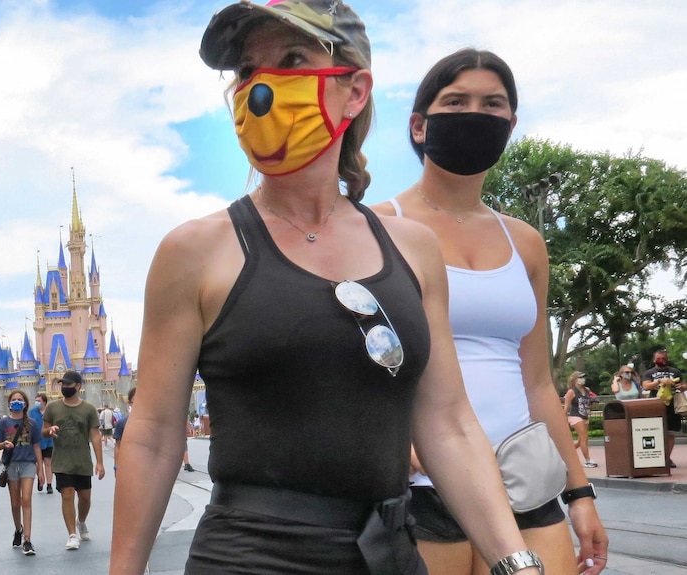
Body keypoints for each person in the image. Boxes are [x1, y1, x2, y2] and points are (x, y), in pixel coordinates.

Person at [110, 4, 551, 574]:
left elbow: (447, 422)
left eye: (293, 59)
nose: (262, 87)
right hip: (251, 558)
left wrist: (517, 563)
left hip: (390, 554)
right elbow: (153, 434)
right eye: (247, 70)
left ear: (355, 91)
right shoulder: (194, 252)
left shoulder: (413, 250)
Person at [370, 47, 608, 575]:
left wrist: (580, 494)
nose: (475, 113)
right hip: (424, 487)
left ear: (511, 124)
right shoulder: (378, 227)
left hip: (526, 484)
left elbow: (539, 383)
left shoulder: (525, 242)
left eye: (492, 104)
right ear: (418, 125)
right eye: (455, 101)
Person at [43, 371, 105, 551]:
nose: (65, 388)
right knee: (67, 494)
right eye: (63, 384)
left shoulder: (88, 409)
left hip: (82, 460)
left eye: (69, 385)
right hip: (61, 460)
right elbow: (44, 430)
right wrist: (50, 430)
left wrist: (100, 462)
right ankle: (72, 534)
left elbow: (95, 435)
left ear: (78, 386)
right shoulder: (52, 408)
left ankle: (81, 521)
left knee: (85, 498)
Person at [0, 390, 43, 556]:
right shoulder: (3, 423)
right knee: (15, 503)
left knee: (26, 499)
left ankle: (28, 540)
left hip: (28, 463)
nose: (16, 402)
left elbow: (36, 446)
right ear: (9, 404)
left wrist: (41, 469)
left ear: (25, 403)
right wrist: (4, 444)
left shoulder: (32, 423)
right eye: (14, 399)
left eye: (20, 399)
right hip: (11, 464)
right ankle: (18, 529)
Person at [642, 349, 685, 468]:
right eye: (659, 358)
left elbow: (684, 385)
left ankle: (667, 458)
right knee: (656, 431)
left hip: (672, 404)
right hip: (656, 404)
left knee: (670, 432)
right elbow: (645, 386)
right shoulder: (649, 373)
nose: (662, 360)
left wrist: (681, 386)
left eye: (664, 358)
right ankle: (657, 456)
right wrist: (659, 381)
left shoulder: (675, 371)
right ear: (654, 360)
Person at [564, 371, 598, 468]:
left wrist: (594, 400)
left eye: (583, 377)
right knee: (584, 438)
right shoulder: (571, 392)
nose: (583, 379)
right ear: (575, 380)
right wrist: (565, 421)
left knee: (581, 441)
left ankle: (566, 455)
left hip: (585, 416)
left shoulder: (586, 390)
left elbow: (593, 398)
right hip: (575, 416)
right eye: (580, 377)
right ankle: (588, 460)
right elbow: (566, 407)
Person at [29, 392, 55, 494]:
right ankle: (40, 480)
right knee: (37, 464)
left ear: (44, 402)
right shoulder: (32, 412)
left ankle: (49, 484)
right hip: (36, 442)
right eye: (36, 401)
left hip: (49, 441)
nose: (37, 403)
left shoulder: (50, 412)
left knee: (48, 463)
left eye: (39, 401)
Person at [112, 387, 136, 477]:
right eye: (135, 400)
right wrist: (116, 467)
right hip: (128, 466)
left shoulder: (152, 423)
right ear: (130, 403)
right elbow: (118, 446)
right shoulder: (122, 423)